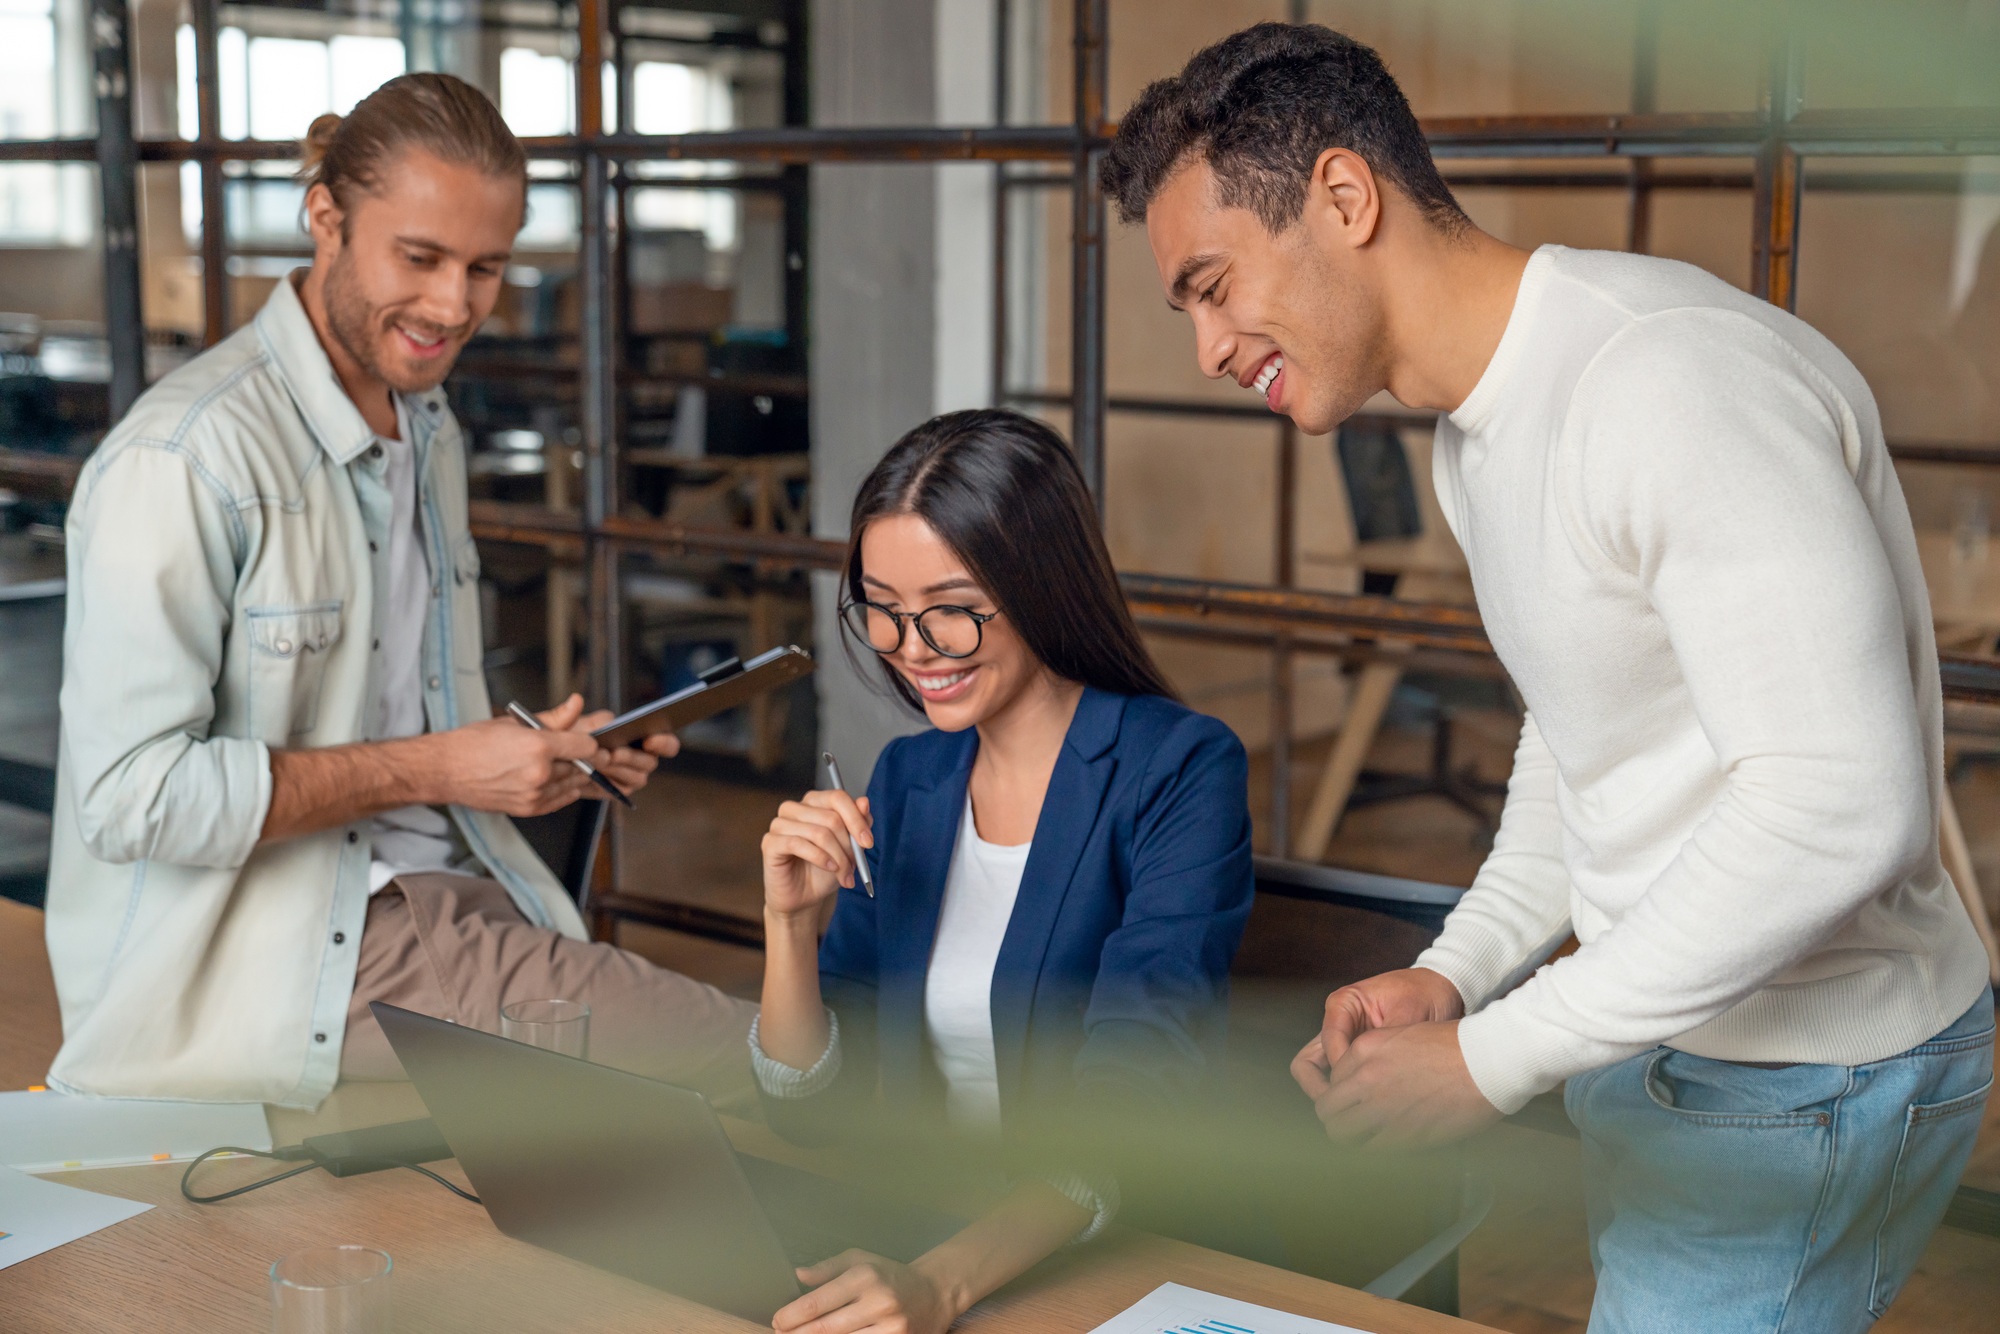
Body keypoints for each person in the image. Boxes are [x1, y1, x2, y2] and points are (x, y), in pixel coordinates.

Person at [1101, 21, 1995, 1334]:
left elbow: (1842, 804)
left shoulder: (1667, 381)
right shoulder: (1477, 437)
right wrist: (1462, 971)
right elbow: (1582, 742)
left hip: (1811, 1070)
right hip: (1680, 1043)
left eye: (1213, 283)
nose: (1210, 348)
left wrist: (1495, 1051)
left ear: (1344, 198)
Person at [46, 73, 752, 1109]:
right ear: (323, 218)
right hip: (288, 960)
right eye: (417, 258)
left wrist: (523, 762)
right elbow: (130, 800)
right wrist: (442, 764)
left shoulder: (427, 427)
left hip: (438, 893)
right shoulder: (183, 460)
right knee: (738, 1046)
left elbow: (390, 713)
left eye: (485, 267)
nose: (453, 306)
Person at [750, 409, 1255, 1334]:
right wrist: (789, 929)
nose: (911, 650)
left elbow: (1130, 1102)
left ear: (1040, 585)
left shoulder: (1179, 768)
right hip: (921, 1236)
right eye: (884, 612)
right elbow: (812, 1115)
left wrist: (942, 1285)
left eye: (948, 610)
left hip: (1108, 1263)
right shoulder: (912, 779)